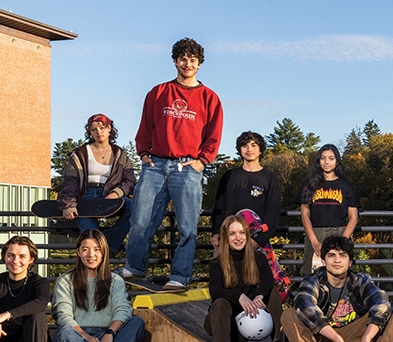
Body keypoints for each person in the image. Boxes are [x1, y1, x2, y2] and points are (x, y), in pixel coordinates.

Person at [119, 38, 224, 287]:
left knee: (187, 226)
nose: (188, 64)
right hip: (155, 165)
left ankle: (179, 277)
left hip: (188, 168)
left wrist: (201, 161)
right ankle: (135, 267)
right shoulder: (158, 93)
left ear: (200, 64)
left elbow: (214, 135)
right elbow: (145, 127)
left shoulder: (210, 98)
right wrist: (144, 155)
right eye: (183, 59)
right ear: (175, 61)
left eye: (193, 60)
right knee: (141, 221)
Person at [281, 235, 393, 342]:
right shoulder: (313, 281)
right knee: (289, 314)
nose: (337, 260)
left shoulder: (360, 281)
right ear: (323, 261)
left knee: (390, 308)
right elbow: (305, 306)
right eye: (331, 255)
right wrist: (337, 340)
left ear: (350, 262)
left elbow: (381, 303)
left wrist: (366, 338)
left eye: (343, 255)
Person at [51, 230, 145, 342]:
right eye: (85, 249)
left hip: (108, 334)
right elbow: (63, 315)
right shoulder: (65, 280)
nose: (91, 255)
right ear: (78, 252)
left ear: (104, 252)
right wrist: (85, 336)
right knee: (63, 332)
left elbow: (123, 309)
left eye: (96, 249)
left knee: (136, 322)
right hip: (78, 336)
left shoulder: (115, 280)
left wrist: (110, 333)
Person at [206, 215, 283, 342]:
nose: (238, 238)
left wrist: (259, 295)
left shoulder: (258, 258)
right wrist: (239, 296)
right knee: (220, 302)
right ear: (225, 237)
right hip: (225, 323)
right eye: (232, 234)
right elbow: (215, 291)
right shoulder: (216, 263)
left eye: (241, 232)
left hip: (249, 321)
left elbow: (268, 281)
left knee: (273, 293)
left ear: (247, 235)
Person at [58, 113, 137, 253]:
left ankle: (109, 242)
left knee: (135, 208)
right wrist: (68, 204)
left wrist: (116, 193)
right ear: (89, 132)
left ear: (109, 129)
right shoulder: (80, 153)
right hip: (86, 196)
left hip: (111, 197)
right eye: (93, 129)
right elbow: (71, 181)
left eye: (102, 127)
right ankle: (104, 247)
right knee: (91, 242)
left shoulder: (119, 153)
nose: (98, 132)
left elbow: (130, 180)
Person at [210, 132, 283, 249]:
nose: (249, 149)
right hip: (229, 240)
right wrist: (216, 233)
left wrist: (258, 241)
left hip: (258, 243)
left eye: (254, 145)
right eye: (245, 146)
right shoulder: (229, 176)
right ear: (240, 150)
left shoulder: (270, 179)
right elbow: (219, 208)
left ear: (260, 150)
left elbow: (272, 214)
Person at [298, 144, 359, 276]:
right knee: (312, 275)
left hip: (340, 232)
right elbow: (304, 215)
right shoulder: (308, 185)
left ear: (337, 161)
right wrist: (314, 241)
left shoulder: (346, 186)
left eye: (331, 158)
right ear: (318, 161)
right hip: (315, 233)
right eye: (323, 158)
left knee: (341, 274)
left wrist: (342, 241)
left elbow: (353, 217)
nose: (326, 162)